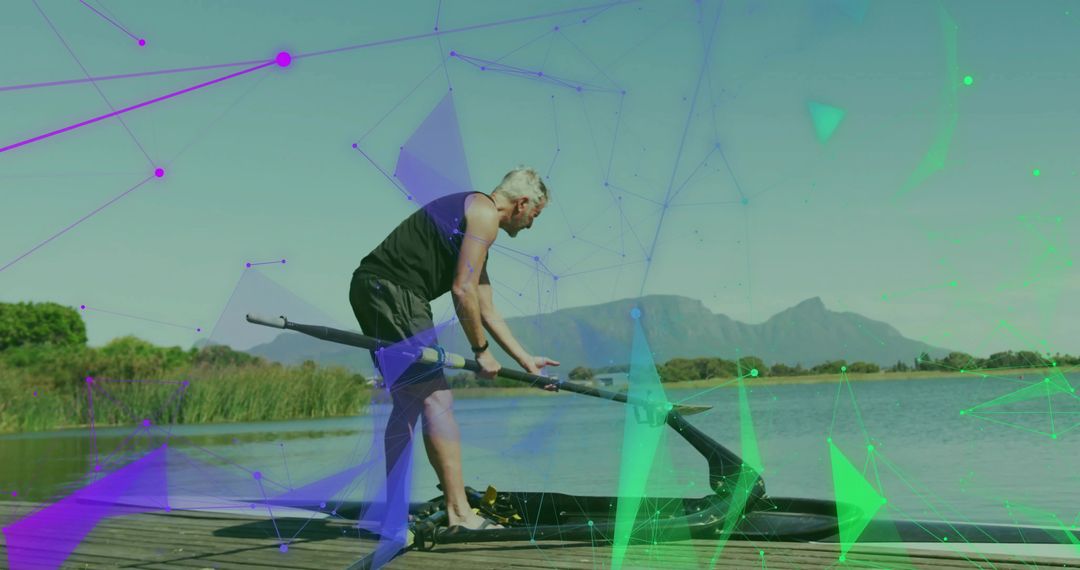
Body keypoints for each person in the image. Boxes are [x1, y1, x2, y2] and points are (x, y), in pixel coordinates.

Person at [349, 166, 559, 531]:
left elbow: (486, 307)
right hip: (392, 289)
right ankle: (459, 512)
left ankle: (392, 512)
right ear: (523, 203)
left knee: (409, 402)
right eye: (535, 216)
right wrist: (481, 351)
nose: (531, 225)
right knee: (437, 400)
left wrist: (526, 361)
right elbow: (462, 290)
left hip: (376, 288)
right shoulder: (482, 214)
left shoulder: (476, 229)